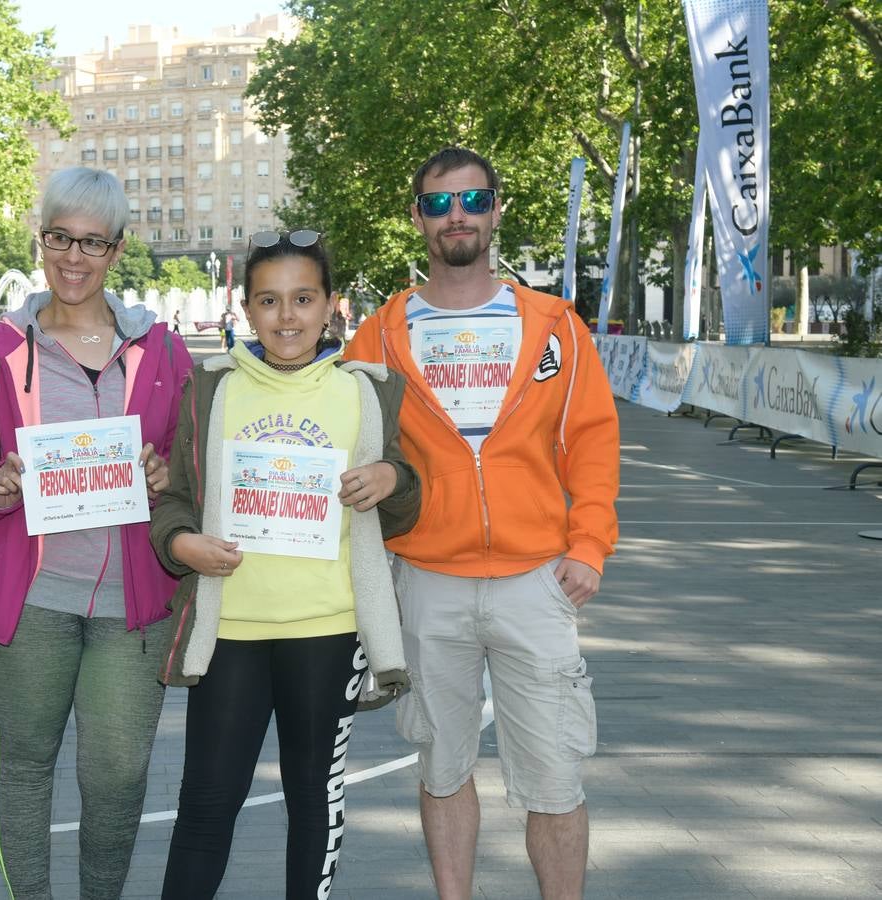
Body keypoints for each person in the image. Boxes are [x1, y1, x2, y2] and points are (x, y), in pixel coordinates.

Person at [345, 146, 619, 900]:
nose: (455, 215)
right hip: (427, 580)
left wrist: (589, 545)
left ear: (496, 210)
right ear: (417, 218)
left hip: (537, 581)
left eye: (471, 200)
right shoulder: (379, 335)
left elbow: (592, 440)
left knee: (556, 780)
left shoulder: (555, 326)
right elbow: (332, 433)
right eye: (438, 204)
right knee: (441, 768)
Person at [0, 166, 193, 900]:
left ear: (117, 250)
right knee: (26, 761)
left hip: (131, 603)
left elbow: (189, 459)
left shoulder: (163, 351)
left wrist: (167, 477)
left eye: (92, 243)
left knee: (116, 773)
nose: (74, 258)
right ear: (41, 239)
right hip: (27, 600)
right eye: (60, 238)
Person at [151, 229, 421, 899]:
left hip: (328, 633)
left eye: (303, 298)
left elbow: (408, 504)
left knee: (313, 804)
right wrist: (183, 545)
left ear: (332, 304)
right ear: (245, 310)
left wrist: (390, 477)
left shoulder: (368, 391)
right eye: (269, 301)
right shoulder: (211, 387)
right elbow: (175, 502)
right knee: (207, 806)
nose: (287, 316)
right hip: (233, 631)